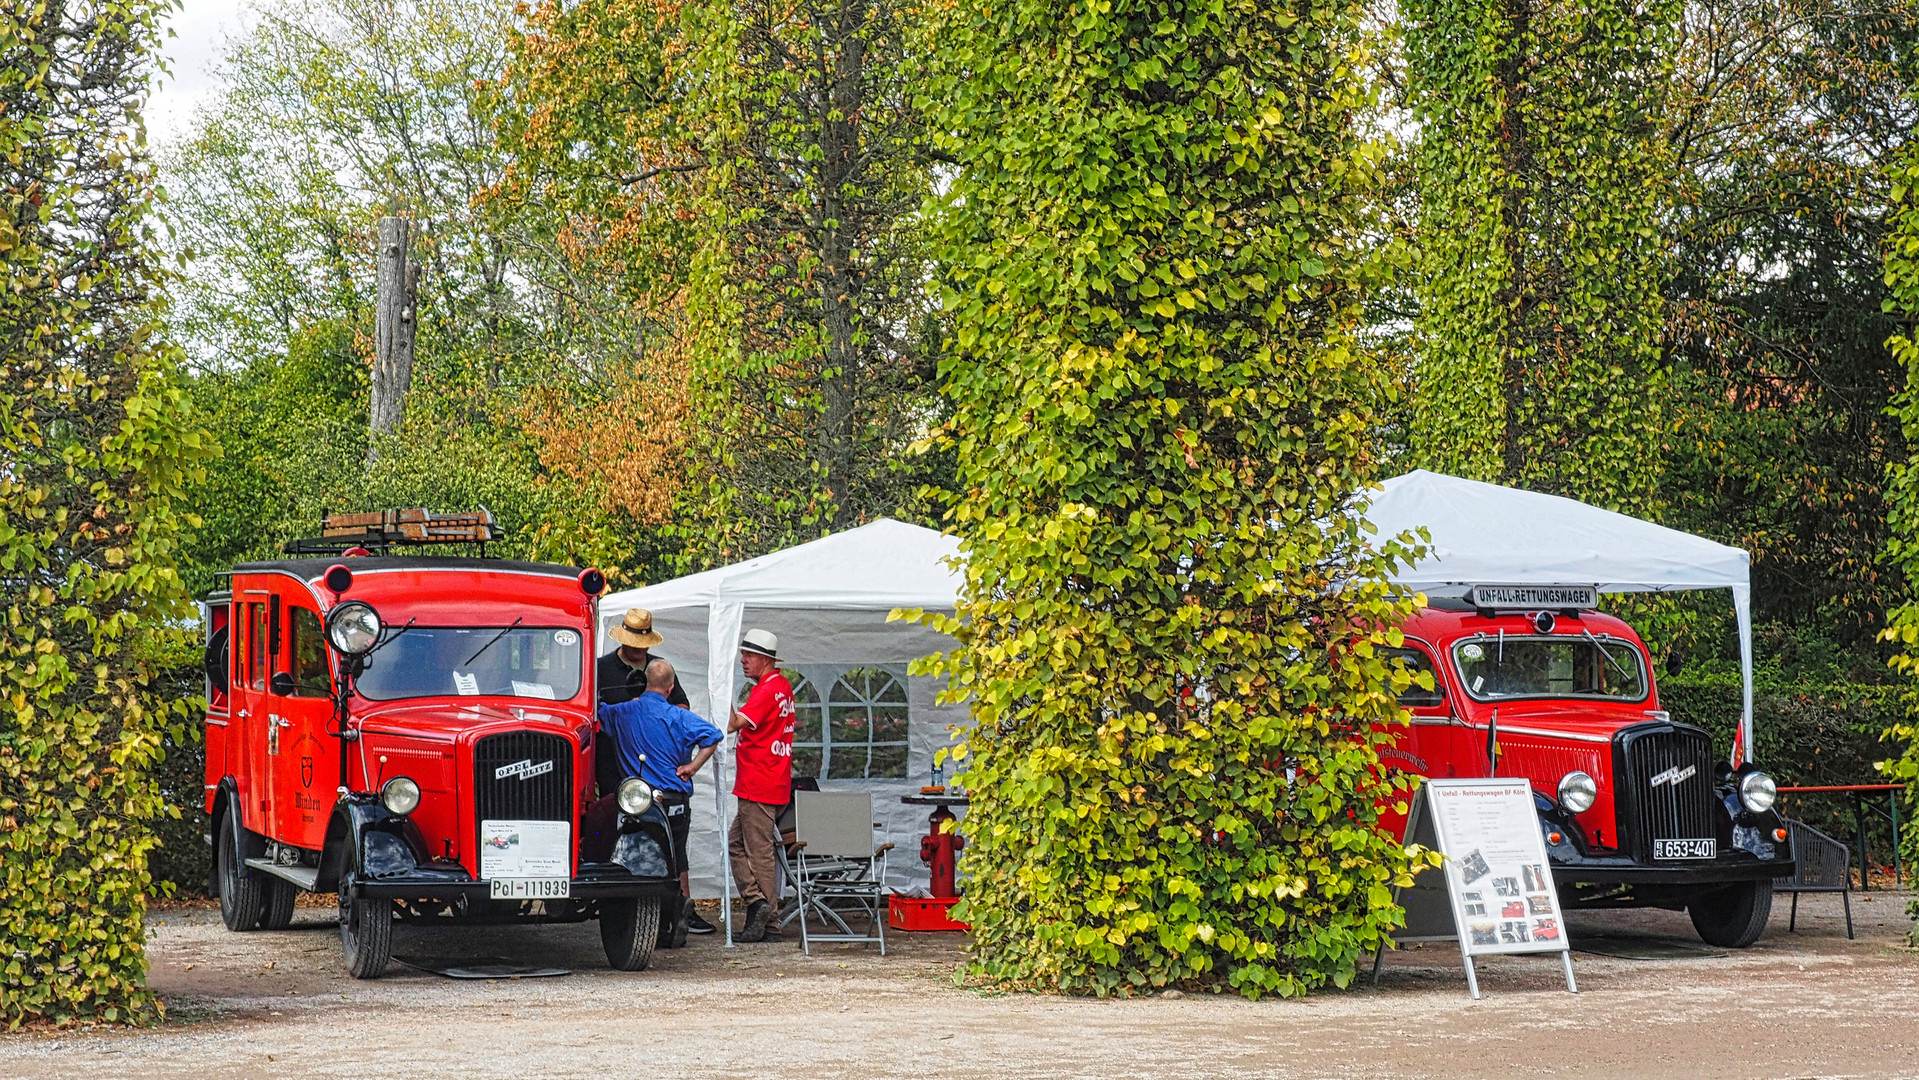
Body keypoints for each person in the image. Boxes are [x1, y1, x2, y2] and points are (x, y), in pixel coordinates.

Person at [595, 607, 716, 934]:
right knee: (615, 840)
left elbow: (682, 708)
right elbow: (592, 716)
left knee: (674, 845)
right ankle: (622, 911)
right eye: (633, 642)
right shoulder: (602, 669)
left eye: (642, 643)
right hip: (612, 775)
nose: (638, 650)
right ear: (623, 638)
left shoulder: (658, 668)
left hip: (657, 772)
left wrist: (646, 718)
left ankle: (681, 909)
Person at [727, 628, 795, 943]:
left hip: (758, 780)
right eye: (743, 654)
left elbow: (732, 725)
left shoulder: (765, 691)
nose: (743, 660)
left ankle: (768, 918)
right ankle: (758, 905)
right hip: (771, 778)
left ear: (765, 660)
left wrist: (722, 691)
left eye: (749, 655)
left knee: (758, 852)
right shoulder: (782, 686)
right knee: (739, 844)